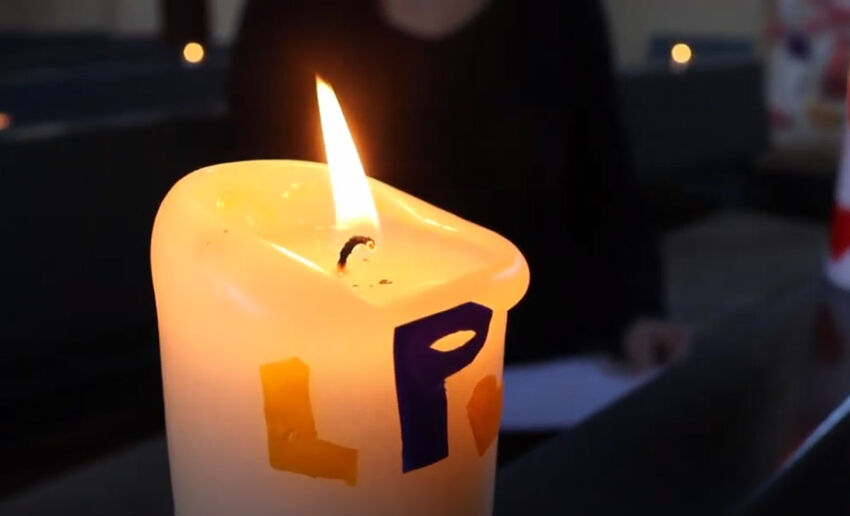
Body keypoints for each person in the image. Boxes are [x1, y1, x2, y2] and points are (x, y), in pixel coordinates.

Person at [229, 0, 688, 369]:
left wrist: (637, 314)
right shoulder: (291, 14)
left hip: (546, 355)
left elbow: (608, 189)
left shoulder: (559, 14)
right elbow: (249, 199)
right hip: (346, 365)